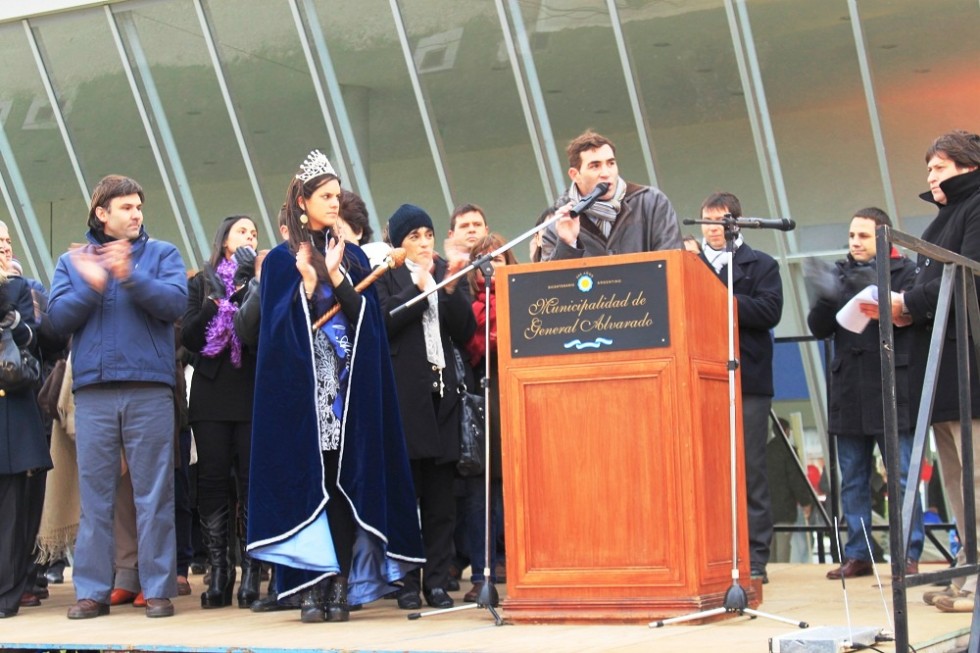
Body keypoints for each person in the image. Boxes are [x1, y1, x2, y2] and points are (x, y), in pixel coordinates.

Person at [246, 150, 424, 623]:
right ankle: (311, 586)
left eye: (336, 196)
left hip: (349, 390)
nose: (333, 202)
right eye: (324, 196)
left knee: (346, 485)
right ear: (302, 203)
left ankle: (341, 583)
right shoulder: (284, 261)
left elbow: (368, 317)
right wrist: (307, 285)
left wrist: (340, 277)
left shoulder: (356, 255)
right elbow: (275, 334)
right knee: (314, 483)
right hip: (307, 396)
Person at [47, 174, 188, 619]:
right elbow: (55, 322)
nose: (136, 214)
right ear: (101, 213)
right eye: (126, 207)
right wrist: (92, 284)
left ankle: (158, 588)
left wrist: (129, 276)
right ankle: (91, 591)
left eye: (138, 207)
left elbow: (174, 305)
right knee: (96, 498)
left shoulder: (163, 254)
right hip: (94, 393)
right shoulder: (72, 263)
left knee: (154, 495)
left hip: (148, 389)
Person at [863, 130, 980, 613]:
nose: (930, 176)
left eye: (939, 167)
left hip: (971, 360)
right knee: (954, 478)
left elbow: (967, 272)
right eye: (929, 168)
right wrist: (907, 309)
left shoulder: (975, 209)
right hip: (944, 363)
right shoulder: (944, 217)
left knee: (975, 478)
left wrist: (907, 302)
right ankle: (967, 573)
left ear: (968, 167)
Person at [807, 207, 924, 579]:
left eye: (863, 236)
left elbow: (914, 320)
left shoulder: (907, 272)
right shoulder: (838, 273)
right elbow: (819, 328)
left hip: (891, 386)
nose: (854, 242)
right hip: (851, 387)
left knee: (902, 475)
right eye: (852, 235)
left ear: (883, 237)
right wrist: (826, 297)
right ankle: (859, 552)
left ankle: (907, 553)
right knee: (853, 477)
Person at [376, 203, 477, 610]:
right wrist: (416, 290)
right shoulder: (387, 275)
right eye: (413, 236)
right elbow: (382, 322)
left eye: (428, 235)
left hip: (444, 398)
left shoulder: (444, 272)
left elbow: (466, 329)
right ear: (398, 243)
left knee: (441, 500)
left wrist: (449, 290)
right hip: (406, 400)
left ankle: (436, 581)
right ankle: (405, 581)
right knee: (406, 495)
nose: (423, 243)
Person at [698, 191, 783, 583]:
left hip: (748, 378)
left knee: (750, 468)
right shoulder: (691, 266)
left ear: (738, 223)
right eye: (708, 221)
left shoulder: (760, 264)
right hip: (703, 378)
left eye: (722, 221)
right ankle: (713, 553)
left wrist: (719, 300)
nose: (714, 229)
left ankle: (756, 557)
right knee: (709, 468)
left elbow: (769, 311)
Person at [182, 215, 261, 609]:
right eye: (242, 231)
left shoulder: (262, 282)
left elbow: (263, 333)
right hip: (211, 393)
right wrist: (216, 305)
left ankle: (252, 572)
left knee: (249, 482)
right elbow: (190, 337)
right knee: (211, 481)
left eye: (254, 232)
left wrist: (250, 286)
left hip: (249, 389)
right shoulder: (202, 281)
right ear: (224, 239)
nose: (250, 236)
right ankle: (219, 571)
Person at [461, 233, 514, 602]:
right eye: (482, 258)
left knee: (514, 487)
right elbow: (474, 344)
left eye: (498, 257)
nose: (490, 264)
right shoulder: (468, 305)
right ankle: (482, 570)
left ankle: (517, 560)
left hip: (515, 394)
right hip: (483, 399)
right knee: (482, 491)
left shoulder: (523, 298)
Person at [539, 129, 682, 260]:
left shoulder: (651, 202)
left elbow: (674, 262)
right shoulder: (559, 223)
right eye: (595, 166)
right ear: (575, 175)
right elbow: (551, 283)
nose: (606, 173)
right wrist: (567, 245)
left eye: (611, 163)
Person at [0, 251, 51, 619]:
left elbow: (35, 341)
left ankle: (6, 593)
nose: (4, 248)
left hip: (10, 410)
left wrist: (10, 319)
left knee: (13, 512)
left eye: (7, 241)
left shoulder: (17, 289)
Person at [766, 418, 814, 564]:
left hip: (766, 510)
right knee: (783, 549)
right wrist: (806, 502)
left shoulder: (765, 450)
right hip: (784, 509)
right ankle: (781, 580)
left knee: (769, 550)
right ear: (787, 431)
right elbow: (796, 479)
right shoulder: (789, 451)